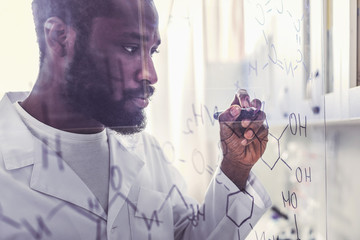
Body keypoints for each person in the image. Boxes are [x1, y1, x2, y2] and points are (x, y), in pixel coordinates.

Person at [0, 0, 271, 239]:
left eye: (152, 51)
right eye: (130, 48)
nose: (151, 75)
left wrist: (235, 166)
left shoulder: (148, 153)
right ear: (60, 38)